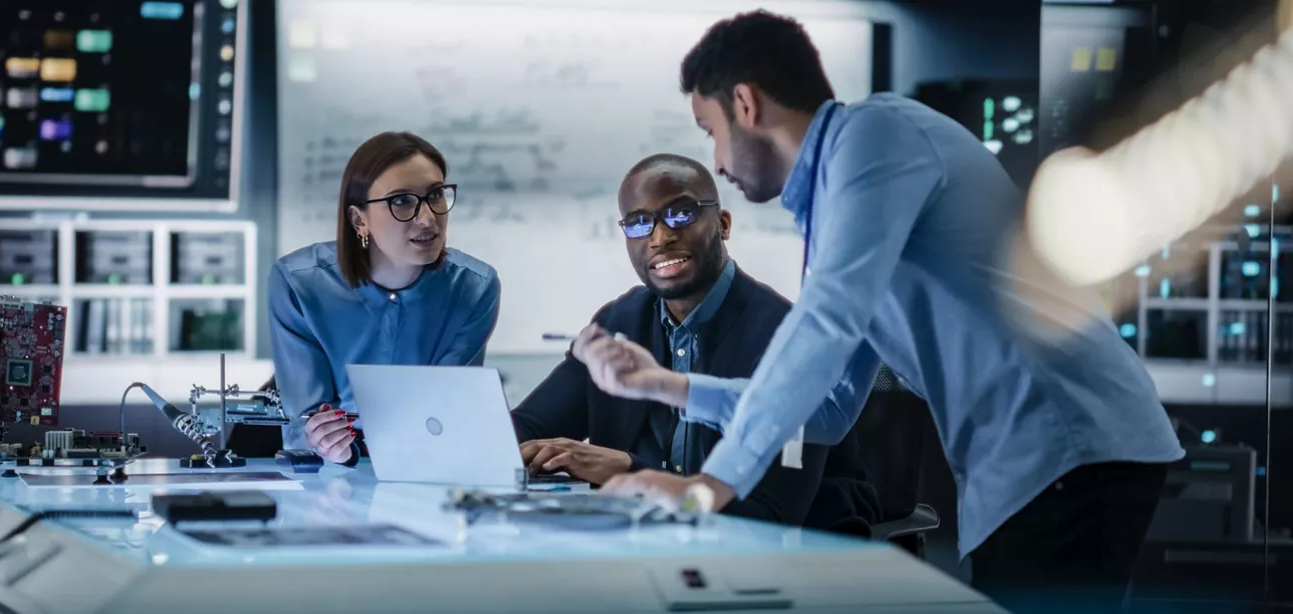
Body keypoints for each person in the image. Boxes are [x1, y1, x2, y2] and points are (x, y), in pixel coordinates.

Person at [577, 11, 1184, 612]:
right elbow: (829, 410)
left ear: (745, 103)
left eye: (709, 130)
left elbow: (824, 325)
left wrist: (707, 488)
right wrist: (667, 385)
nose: (716, 159)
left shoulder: (875, 138)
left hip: (1071, 446)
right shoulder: (836, 206)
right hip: (1032, 469)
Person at [511, 153, 881, 530]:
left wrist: (629, 469)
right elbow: (525, 426)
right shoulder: (618, 322)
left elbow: (770, 516)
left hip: (785, 555)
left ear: (722, 224)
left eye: (681, 214)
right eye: (639, 223)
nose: (660, 237)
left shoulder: (784, 336)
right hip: (647, 543)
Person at [266, 131, 502, 465]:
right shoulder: (299, 284)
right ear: (359, 220)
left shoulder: (475, 287)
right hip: (324, 474)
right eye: (401, 201)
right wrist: (328, 443)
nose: (428, 218)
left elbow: (444, 413)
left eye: (435, 194)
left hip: (423, 463)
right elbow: (305, 423)